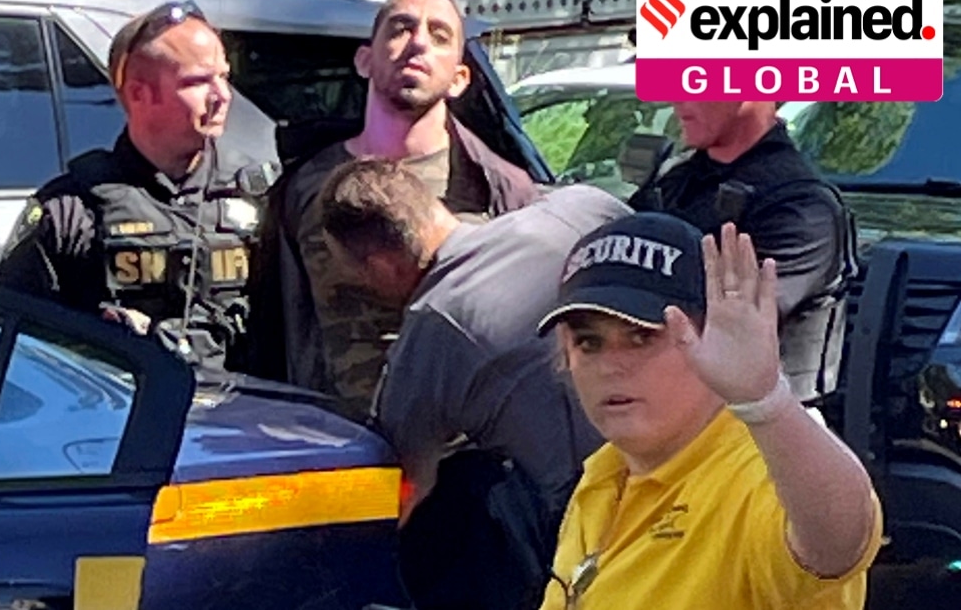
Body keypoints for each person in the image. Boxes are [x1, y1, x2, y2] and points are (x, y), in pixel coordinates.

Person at [317, 157, 630, 609]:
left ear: (383, 266)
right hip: (703, 451)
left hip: (600, 520)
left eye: (359, 274)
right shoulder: (578, 207)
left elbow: (405, 487)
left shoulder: (431, 329)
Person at [535, 213, 883, 610]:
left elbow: (839, 542)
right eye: (588, 343)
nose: (611, 365)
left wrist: (767, 401)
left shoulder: (758, 473)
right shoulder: (605, 474)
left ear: (713, 339)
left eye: (641, 337)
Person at [271, 0, 539, 416]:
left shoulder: (502, 190)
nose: (418, 43)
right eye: (400, 28)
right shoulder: (305, 187)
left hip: (465, 445)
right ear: (364, 60)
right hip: (337, 441)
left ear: (460, 79)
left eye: (439, 35)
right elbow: (279, 327)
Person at [0, 0, 266, 370]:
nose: (223, 95)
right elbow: (20, 346)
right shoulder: (71, 209)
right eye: (198, 81)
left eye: (224, 76)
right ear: (139, 94)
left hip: (243, 403)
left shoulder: (260, 195)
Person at [627, 101, 858, 405]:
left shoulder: (801, 207)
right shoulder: (677, 180)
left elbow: (724, 329)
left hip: (761, 422)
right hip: (668, 404)